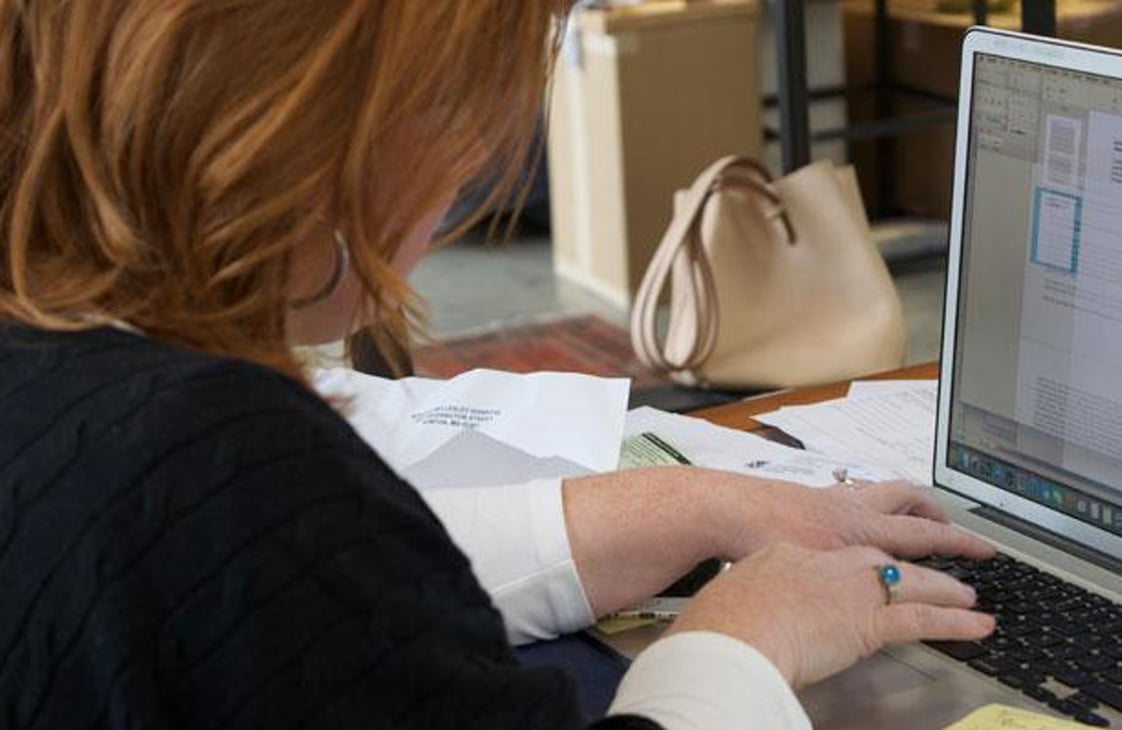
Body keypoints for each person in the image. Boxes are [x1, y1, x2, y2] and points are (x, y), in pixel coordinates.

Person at [0, 2, 996, 728]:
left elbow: (326, 583)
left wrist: (697, 506)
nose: (471, 169)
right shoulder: (215, 460)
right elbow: (270, 547)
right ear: (321, 127)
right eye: (466, 111)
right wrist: (742, 641)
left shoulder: (72, 380)